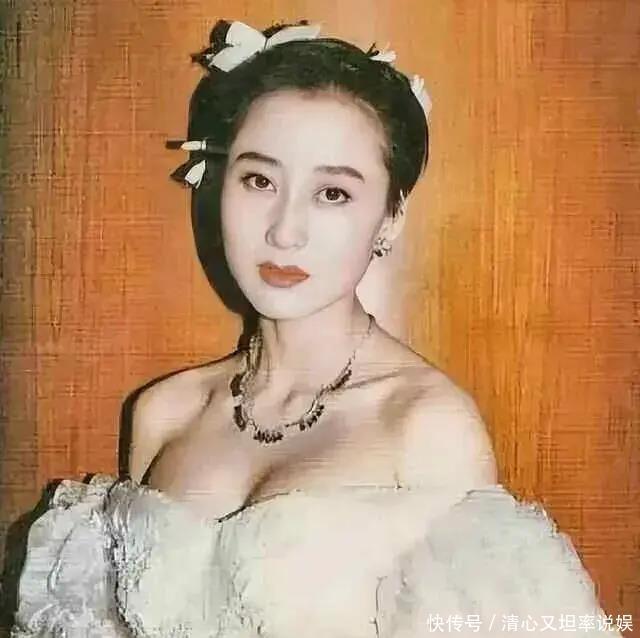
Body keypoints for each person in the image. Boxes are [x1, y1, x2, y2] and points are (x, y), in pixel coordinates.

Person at [10, 19, 621, 638]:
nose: (285, 230)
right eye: (259, 180)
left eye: (332, 193)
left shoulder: (425, 426)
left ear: (390, 218)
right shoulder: (163, 413)